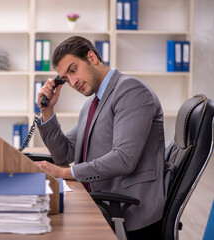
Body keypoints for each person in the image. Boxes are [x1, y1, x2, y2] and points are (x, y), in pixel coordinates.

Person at [35, 36, 167, 239]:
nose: (73, 82)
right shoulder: (92, 103)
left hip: (127, 211)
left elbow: (124, 159)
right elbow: (64, 154)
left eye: (73, 70)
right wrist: (47, 110)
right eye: (65, 79)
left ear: (91, 57)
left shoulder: (130, 90)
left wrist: (63, 173)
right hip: (101, 202)